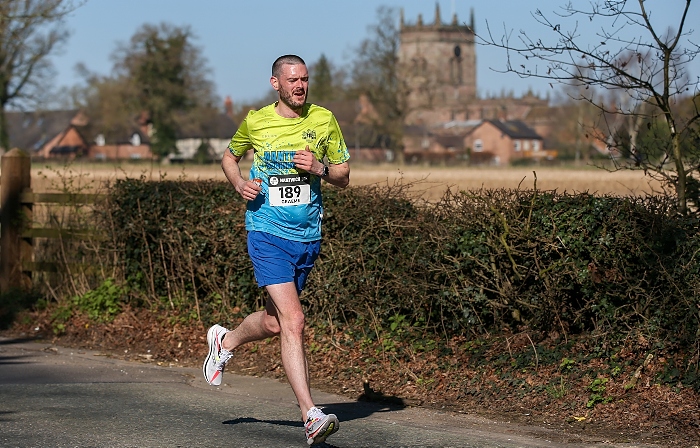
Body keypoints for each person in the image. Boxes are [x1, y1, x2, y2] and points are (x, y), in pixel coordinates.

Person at [203, 54, 350, 446]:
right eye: (292, 80)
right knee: (295, 320)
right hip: (265, 231)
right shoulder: (255, 121)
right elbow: (228, 157)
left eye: (305, 79)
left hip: (307, 236)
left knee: (274, 323)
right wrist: (239, 185)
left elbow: (344, 176)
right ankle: (310, 414)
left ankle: (225, 341)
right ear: (276, 84)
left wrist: (320, 169)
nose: (300, 86)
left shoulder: (324, 120)